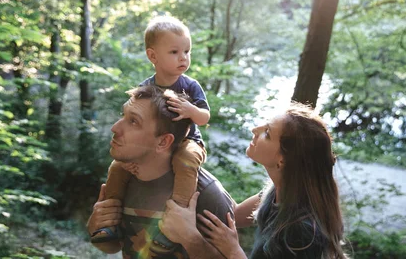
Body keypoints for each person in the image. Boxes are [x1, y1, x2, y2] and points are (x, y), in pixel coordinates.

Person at [160, 103, 348, 259]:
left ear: (283, 160)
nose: (254, 130)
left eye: (267, 132)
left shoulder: (302, 233)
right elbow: (231, 215)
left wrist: (230, 250)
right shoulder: (277, 192)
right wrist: (186, 161)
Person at [91, 15, 211, 255]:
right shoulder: (147, 87)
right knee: (117, 166)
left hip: (188, 142)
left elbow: (205, 118)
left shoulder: (190, 86)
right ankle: (109, 221)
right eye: (175, 52)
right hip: (154, 147)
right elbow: (136, 121)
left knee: (185, 162)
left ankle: (174, 223)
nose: (183, 58)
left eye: (187, 51)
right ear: (153, 56)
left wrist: (192, 110)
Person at [87, 85, 233, 259]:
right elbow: (113, 247)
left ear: (163, 142)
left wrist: (191, 239)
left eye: (133, 121)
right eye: (123, 115)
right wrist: (95, 226)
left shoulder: (207, 194)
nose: (115, 128)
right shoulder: (123, 178)